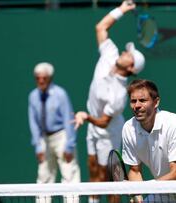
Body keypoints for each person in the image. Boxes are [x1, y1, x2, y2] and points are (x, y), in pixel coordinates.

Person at [74, 2, 145, 203]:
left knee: (111, 180)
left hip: (108, 132)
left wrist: (86, 116)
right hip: (91, 125)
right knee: (93, 170)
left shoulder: (120, 94)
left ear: (131, 67)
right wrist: (122, 9)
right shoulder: (110, 53)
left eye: (128, 54)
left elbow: (104, 121)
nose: (124, 52)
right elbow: (101, 27)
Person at [28, 62, 81, 203]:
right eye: (37, 78)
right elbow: (33, 123)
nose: (40, 81)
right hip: (44, 139)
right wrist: (38, 146)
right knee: (43, 176)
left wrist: (69, 145)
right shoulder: (33, 96)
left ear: (50, 78)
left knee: (69, 175)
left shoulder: (60, 94)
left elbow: (68, 119)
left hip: (61, 136)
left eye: (43, 78)